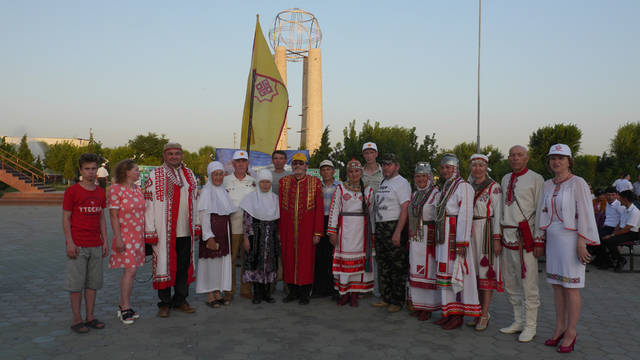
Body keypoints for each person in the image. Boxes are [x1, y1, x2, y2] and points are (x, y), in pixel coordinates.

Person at [536, 144, 600, 353]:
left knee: (571, 287)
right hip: (553, 239)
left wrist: (582, 241)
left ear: (569, 161)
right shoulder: (547, 184)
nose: (557, 162)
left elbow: (585, 212)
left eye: (561, 158)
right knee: (556, 286)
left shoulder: (578, 183)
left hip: (571, 239)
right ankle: (559, 327)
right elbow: (542, 214)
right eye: (553, 158)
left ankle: (571, 331)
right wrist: (540, 238)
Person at [144, 142, 199, 318]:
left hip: (185, 231)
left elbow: (196, 203)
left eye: (177, 153)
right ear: (164, 156)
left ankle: (181, 300)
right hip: (164, 231)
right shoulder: (156, 175)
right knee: (164, 266)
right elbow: (148, 205)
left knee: (184, 266)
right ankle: (165, 303)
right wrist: (150, 230)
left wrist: (197, 225)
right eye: (170, 154)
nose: (174, 157)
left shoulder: (189, 174)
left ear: (182, 155)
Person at [498, 145, 544, 342]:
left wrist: (538, 239)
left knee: (528, 283)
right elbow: (502, 209)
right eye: (512, 155)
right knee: (511, 282)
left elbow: (541, 210)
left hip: (526, 238)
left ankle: (530, 326)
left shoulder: (536, 178)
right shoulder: (505, 178)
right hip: (507, 235)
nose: (515, 158)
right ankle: (518, 320)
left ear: (527, 158)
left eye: (519, 155)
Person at [432, 154, 480, 330]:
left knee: (455, 272)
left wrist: (462, 241)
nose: (445, 171)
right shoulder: (446, 186)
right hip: (444, 235)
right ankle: (447, 312)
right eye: (443, 167)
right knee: (445, 273)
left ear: (456, 168)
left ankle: (457, 314)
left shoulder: (464, 187)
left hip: (454, 236)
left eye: (448, 167)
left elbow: (466, 215)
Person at [62, 153, 108, 333]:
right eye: (87, 169)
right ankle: (77, 319)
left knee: (92, 284)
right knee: (75, 285)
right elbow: (66, 218)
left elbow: (102, 217)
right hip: (78, 245)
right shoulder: (72, 191)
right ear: (81, 170)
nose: (90, 172)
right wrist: (69, 242)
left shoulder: (100, 192)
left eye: (93, 168)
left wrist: (105, 241)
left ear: (98, 170)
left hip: (96, 245)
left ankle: (90, 316)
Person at [327, 159, 374, 307]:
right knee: (344, 264)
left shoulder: (368, 190)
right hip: (345, 231)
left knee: (359, 265)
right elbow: (334, 210)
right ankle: (344, 293)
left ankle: (355, 294)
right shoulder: (341, 188)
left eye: (357, 171)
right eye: (351, 171)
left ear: (361, 172)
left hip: (361, 232)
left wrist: (371, 234)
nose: (354, 174)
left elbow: (371, 214)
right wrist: (333, 231)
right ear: (347, 173)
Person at [279, 152, 324, 305]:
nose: (297, 165)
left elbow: (319, 209)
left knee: (306, 261)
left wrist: (317, 232)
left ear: (307, 166)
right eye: (295, 163)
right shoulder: (284, 182)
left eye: (301, 163)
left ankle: (305, 293)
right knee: (289, 259)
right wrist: (280, 231)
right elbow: (280, 208)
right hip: (288, 229)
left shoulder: (315, 182)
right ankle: (292, 292)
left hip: (308, 230)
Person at [466, 154, 503, 331]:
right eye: (474, 165)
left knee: (486, 273)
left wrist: (497, 239)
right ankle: (477, 310)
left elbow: (498, 215)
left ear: (486, 167)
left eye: (481, 165)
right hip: (470, 232)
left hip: (486, 231)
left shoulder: (493, 187)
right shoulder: (466, 186)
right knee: (474, 275)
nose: (477, 169)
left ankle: (485, 313)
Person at [371, 153, 412, 313]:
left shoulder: (402, 183)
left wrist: (398, 232)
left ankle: (397, 300)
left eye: (389, 164)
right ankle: (386, 297)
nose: (386, 167)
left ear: (397, 166)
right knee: (383, 265)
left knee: (397, 266)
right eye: (384, 164)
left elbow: (405, 208)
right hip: (381, 228)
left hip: (394, 226)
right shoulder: (383, 181)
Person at [108, 159, 145, 325]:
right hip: (125, 235)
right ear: (127, 172)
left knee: (133, 271)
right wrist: (119, 237)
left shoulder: (137, 189)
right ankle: (124, 306)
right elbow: (113, 215)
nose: (139, 172)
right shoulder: (116, 189)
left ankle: (125, 304)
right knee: (129, 271)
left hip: (138, 236)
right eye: (136, 170)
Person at [196, 161, 236, 308]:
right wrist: (209, 237)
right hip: (212, 231)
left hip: (223, 230)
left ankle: (218, 292)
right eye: (215, 174)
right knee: (210, 263)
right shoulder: (207, 191)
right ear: (210, 175)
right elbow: (204, 215)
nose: (218, 177)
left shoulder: (223, 190)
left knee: (221, 262)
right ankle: (210, 295)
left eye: (220, 174)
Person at [241, 169, 280, 304]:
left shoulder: (275, 199)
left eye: (267, 182)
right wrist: (246, 238)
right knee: (256, 263)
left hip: (271, 237)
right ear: (258, 183)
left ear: (270, 183)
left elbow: (278, 221)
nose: (265, 185)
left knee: (269, 264)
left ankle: (267, 294)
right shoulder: (250, 198)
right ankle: (257, 294)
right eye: (262, 182)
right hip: (255, 237)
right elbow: (246, 221)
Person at [407, 162, 440, 321]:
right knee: (415, 267)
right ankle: (418, 304)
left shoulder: (436, 194)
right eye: (418, 176)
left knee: (428, 270)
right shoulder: (414, 195)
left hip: (429, 235)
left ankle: (428, 307)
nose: (420, 179)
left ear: (429, 177)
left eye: (424, 176)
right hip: (415, 237)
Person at [223, 150, 256, 302]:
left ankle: (246, 289)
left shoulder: (253, 181)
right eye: (238, 161)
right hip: (231, 227)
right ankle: (229, 292)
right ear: (233, 163)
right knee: (229, 261)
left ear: (247, 163)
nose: (241, 164)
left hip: (249, 229)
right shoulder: (225, 180)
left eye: (244, 161)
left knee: (247, 260)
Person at [313, 159, 340, 298]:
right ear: (320, 172)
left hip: (334, 221)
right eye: (323, 169)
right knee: (319, 255)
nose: (326, 172)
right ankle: (319, 288)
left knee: (333, 255)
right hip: (320, 221)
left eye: (328, 169)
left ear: (333, 171)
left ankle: (334, 288)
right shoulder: (317, 187)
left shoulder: (340, 186)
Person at [601, 190, 639, 272]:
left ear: (625, 199)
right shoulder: (625, 209)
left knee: (609, 240)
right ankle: (611, 260)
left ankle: (620, 259)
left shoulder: (635, 212)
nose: (619, 200)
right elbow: (620, 223)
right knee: (604, 239)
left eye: (620, 198)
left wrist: (612, 235)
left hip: (632, 234)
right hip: (624, 231)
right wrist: (614, 232)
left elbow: (627, 228)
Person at [593, 187, 624, 269]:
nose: (610, 197)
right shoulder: (606, 203)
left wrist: (614, 232)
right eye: (608, 195)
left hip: (614, 228)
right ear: (605, 196)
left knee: (604, 240)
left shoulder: (619, 205)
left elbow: (623, 219)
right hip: (606, 227)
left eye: (613, 195)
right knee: (593, 239)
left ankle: (615, 260)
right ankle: (604, 260)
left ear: (617, 195)